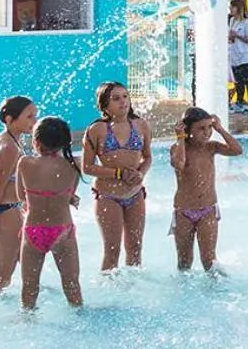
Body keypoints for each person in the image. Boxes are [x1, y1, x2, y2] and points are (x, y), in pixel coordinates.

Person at [81, 81, 151, 271]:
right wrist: (118, 173)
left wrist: (140, 173)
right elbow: (87, 167)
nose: (123, 101)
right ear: (104, 105)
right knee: (112, 250)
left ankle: (134, 286)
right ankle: (109, 288)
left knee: (135, 248)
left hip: (135, 194)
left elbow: (147, 157)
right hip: (108, 196)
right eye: (116, 98)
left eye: (125, 96)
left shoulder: (141, 125)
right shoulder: (97, 129)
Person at [16, 116, 84, 310]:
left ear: (36, 142)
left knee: (29, 285)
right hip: (63, 230)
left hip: (33, 230)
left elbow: (21, 196)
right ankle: (79, 315)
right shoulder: (74, 164)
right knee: (71, 283)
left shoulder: (25, 163)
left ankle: (27, 320)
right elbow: (70, 194)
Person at [169, 107, 243, 272]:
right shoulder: (177, 148)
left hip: (207, 210)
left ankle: (216, 287)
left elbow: (238, 150)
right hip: (183, 212)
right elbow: (179, 164)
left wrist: (220, 129)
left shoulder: (211, 148)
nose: (207, 132)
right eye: (201, 128)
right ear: (188, 129)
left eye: (209, 127)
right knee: (184, 262)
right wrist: (180, 138)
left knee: (209, 261)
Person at [0, 95, 37, 292]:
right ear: (9, 120)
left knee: (28, 262)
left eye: (35, 115)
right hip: (4, 212)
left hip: (11, 209)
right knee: (5, 271)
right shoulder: (8, 148)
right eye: (29, 116)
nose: (34, 121)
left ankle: (31, 300)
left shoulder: (9, 140)